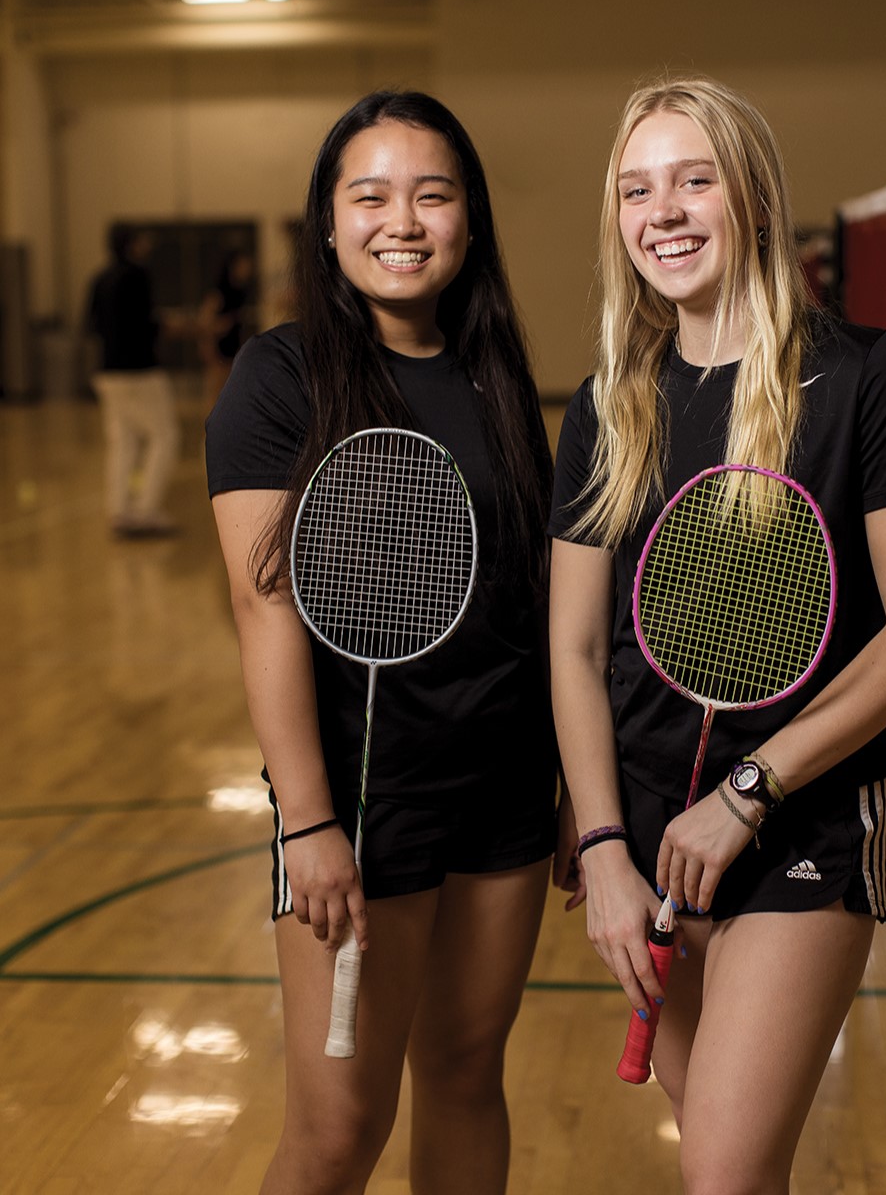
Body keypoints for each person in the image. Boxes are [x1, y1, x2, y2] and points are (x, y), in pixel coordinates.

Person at [548, 76, 886, 1195]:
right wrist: (601, 850)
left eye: (694, 180)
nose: (662, 212)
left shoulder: (863, 379)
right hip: (644, 844)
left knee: (723, 1173)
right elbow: (576, 653)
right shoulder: (606, 407)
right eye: (637, 190)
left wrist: (748, 792)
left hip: (799, 823)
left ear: (756, 200)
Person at [205, 91, 570, 1195]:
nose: (400, 220)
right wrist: (307, 818)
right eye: (369, 195)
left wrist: (569, 783)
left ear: (470, 220)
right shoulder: (281, 376)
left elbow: (531, 591)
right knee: (335, 1132)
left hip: (502, 782)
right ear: (327, 221)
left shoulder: (494, 370)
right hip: (367, 798)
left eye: (432, 194)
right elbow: (263, 604)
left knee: (465, 1072)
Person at [86, 226, 181, 537]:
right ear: (132, 245)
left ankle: (119, 510)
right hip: (140, 371)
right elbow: (146, 322)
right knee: (165, 436)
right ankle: (146, 511)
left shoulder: (99, 279)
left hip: (107, 373)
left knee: (122, 440)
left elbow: (91, 325)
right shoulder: (138, 276)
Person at [197, 247, 255, 409]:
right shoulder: (219, 292)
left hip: (234, 355)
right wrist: (210, 354)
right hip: (218, 356)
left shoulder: (241, 292)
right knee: (214, 402)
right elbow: (205, 323)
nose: (248, 268)